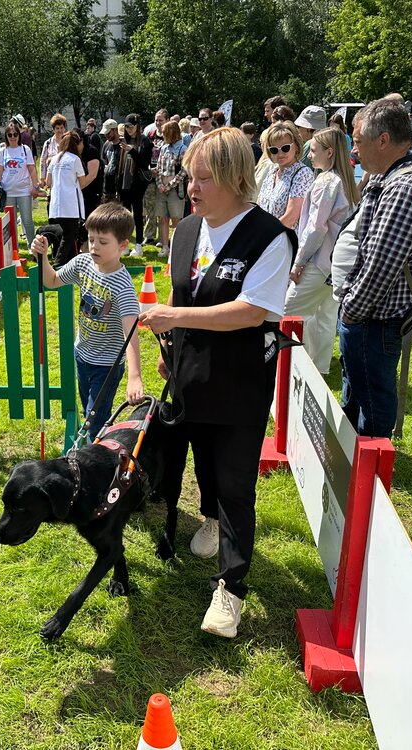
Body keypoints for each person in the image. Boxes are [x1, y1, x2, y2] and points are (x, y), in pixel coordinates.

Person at [138, 127, 295, 638]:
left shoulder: (269, 236)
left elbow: (251, 312)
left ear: (234, 177)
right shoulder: (186, 231)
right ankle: (207, 519)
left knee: (234, 482)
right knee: (203, 462)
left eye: (204, 177)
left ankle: (230, 588)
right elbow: (185, 295)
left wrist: (175, 314)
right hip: (189, 377)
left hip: (239, 382)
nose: (192, 187)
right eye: (189, 177)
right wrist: (171, 351)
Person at [336, 98, 412, 438]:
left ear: (383, 140)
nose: (353, 152)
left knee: (372, 404)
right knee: (363, 393)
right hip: (376, 318)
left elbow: (379, 269)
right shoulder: (409, 167)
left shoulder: (406, 189)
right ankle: (356, 464)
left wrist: (350, 312)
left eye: (356, 141)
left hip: (376, 319)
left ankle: (371, 475)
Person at [29, 202, 144, 441]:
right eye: (91, 239)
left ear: (123, 246)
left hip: (107, 366)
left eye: (103, 242)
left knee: (95, 421)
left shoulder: (123, 287)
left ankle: (96, 461)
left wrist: (134, 376)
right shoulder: (82, 264)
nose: (94, 247)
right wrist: (41, 256)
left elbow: (130, 334)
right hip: (82, 355)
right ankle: (96, 449)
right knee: (89, 413)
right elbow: (51, 281)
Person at [285, 127, 359, 374]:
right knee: (325, 316)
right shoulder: (345, 181)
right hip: (337, 263)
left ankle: (289, 366)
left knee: (287, 311)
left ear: (329, 152)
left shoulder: (326, 181)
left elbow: (316, 228)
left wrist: (299, 261)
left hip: (319, 260)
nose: (310, 155)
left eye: (314, 150)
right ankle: (318, 369)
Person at [257, 121, 314, 229]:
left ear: (296, 146)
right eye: (274, 150)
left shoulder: (303, 174)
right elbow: (259, 207)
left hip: (285, 241)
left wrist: (264, 237)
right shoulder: (272, 172)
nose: (280, 154)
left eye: (285, 148)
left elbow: (291, 217)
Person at [44, 130, 87, 267]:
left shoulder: (54, 159)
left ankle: (68, 264)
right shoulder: (75, 159)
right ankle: (59, 263)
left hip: (56, 203)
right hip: (70, 204)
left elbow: (48, 182)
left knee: (61, 234)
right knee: (70, 235)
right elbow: (82, 183)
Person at [0, 124, 39, 245]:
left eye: (15, 134)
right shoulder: (3, 151)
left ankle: (33, 246)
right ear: (6, 136)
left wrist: (35, 186)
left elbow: (32, 169)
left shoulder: (25, 149)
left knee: (27, 220)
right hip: (8, 191)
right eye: (10, 135)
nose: (13, 137)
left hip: (24, 191)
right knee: (11, 222)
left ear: (19, 135)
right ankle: (14, 248)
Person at [119, 113, 153, 257]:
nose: (129, 129)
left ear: (137, 126)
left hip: (137, 183)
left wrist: (132, 150)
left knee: (137, 214)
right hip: (124, 183)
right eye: (126, 127)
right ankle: (125, 243)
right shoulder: (124, 140)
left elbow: (144, 163)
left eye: (131, 126)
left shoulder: (145, 141)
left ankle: (138, 244)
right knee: (125, 215)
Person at [155, 121, 187, 261]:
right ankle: (165, 246)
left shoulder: (183, 149)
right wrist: (159, 183)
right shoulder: (163, 148)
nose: (162, 135)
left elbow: (183, 171)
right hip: (161, 187)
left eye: (165, 133)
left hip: (175, 189)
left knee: (176, 219)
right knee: (162, 218)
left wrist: (169, 185)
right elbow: (158, 168)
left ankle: (175, 247)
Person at [142, 110, 168, 247]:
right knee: (150, 208)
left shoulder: (170, 136)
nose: (158, 123)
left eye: (161, 120)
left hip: (164, 178)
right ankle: (149, 236)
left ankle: (163, 238)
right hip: (150, 177)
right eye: (156, 120)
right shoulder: (150, 135)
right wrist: (148, 169)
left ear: (167, 121)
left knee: (162, 210)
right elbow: (144, 155)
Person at [39, 114, 68, 188]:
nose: (60, 130)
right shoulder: (48, 143)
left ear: (64, 128)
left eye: (61, 128)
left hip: (66, 178)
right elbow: (42, 161)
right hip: (52, 179)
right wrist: (42, 179)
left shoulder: (69, 143)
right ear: (53, 129)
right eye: (57, 128)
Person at [100, 119, 121, 202]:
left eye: (108, 133)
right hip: (107, 188)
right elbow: (103, 161)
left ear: (115, 130)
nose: (106, 135)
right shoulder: (106, 144)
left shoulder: (123, 145)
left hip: (119, 188)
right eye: (105, 133)